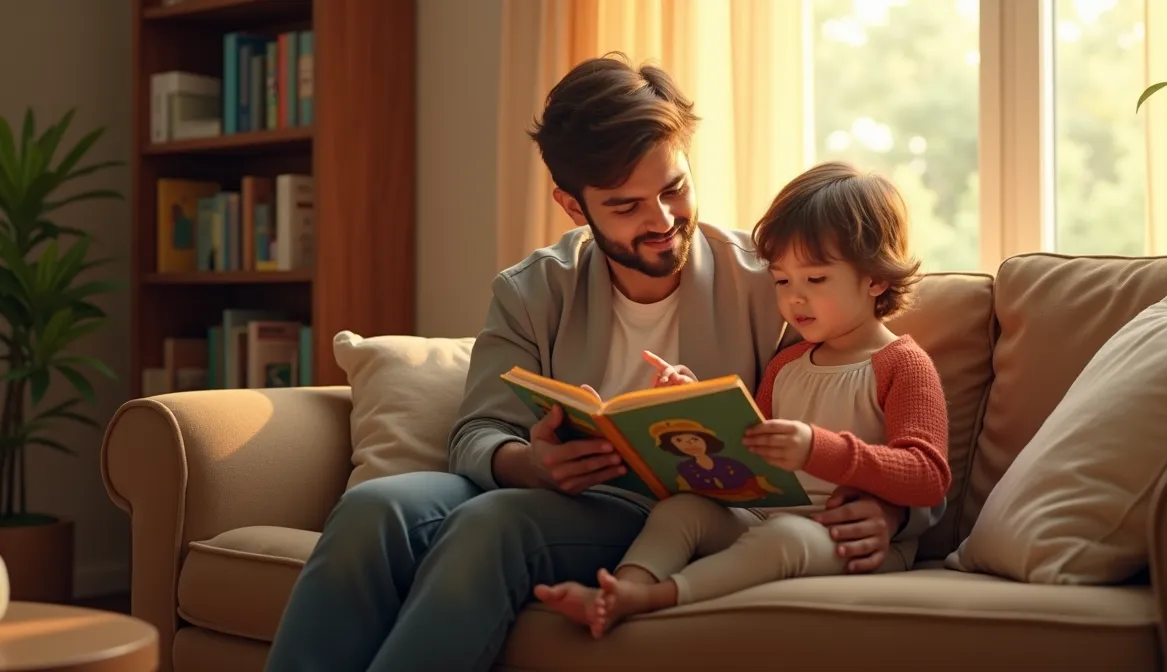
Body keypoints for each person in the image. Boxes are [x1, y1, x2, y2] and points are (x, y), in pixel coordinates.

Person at [264, 55, 945, 672]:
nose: (663, 220)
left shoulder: (771, 285)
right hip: (549, 492)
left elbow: (859, 409)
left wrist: (890, 512)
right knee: (371, 508)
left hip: (669, 514)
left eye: (673, 188)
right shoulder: (534, 288)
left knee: (493, 525)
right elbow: (475, 434)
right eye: (626, 206)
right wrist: (528, 463)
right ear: (572, 203)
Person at [533, 161, 952, 637]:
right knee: (682, 511)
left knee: (784, 537)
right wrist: (694, 404)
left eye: (815, 281)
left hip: (847, 540)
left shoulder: (902, 364)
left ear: (875, 279)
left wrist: (818, 448)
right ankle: (620, 589)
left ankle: (655, 597)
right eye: (781, 281)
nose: (795, 299)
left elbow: (928, 476)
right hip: (766, 518)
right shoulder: (786, 364)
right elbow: (749, 451)